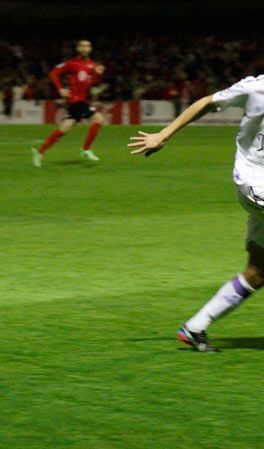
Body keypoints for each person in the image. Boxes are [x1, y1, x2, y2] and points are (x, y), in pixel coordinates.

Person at [128, 74, 264, 352]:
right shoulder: (256, 87)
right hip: (255, 182)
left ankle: (195, 327)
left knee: (258, 271)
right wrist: (163, 135)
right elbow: (206, 102)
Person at [32, 39, 105, 167]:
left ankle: (39, 151)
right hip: (75, 100)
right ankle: (86, 149)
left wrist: (98, 75)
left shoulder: (92, 65)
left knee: (64, 129)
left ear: (90, 49)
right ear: (78, 48)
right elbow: (53, 73)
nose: (84, 48)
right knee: (98, 119)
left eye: (87, 46)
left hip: (82, 101)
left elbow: (93, 83)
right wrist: (60, 88)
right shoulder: (71, 63)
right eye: (82, 46)